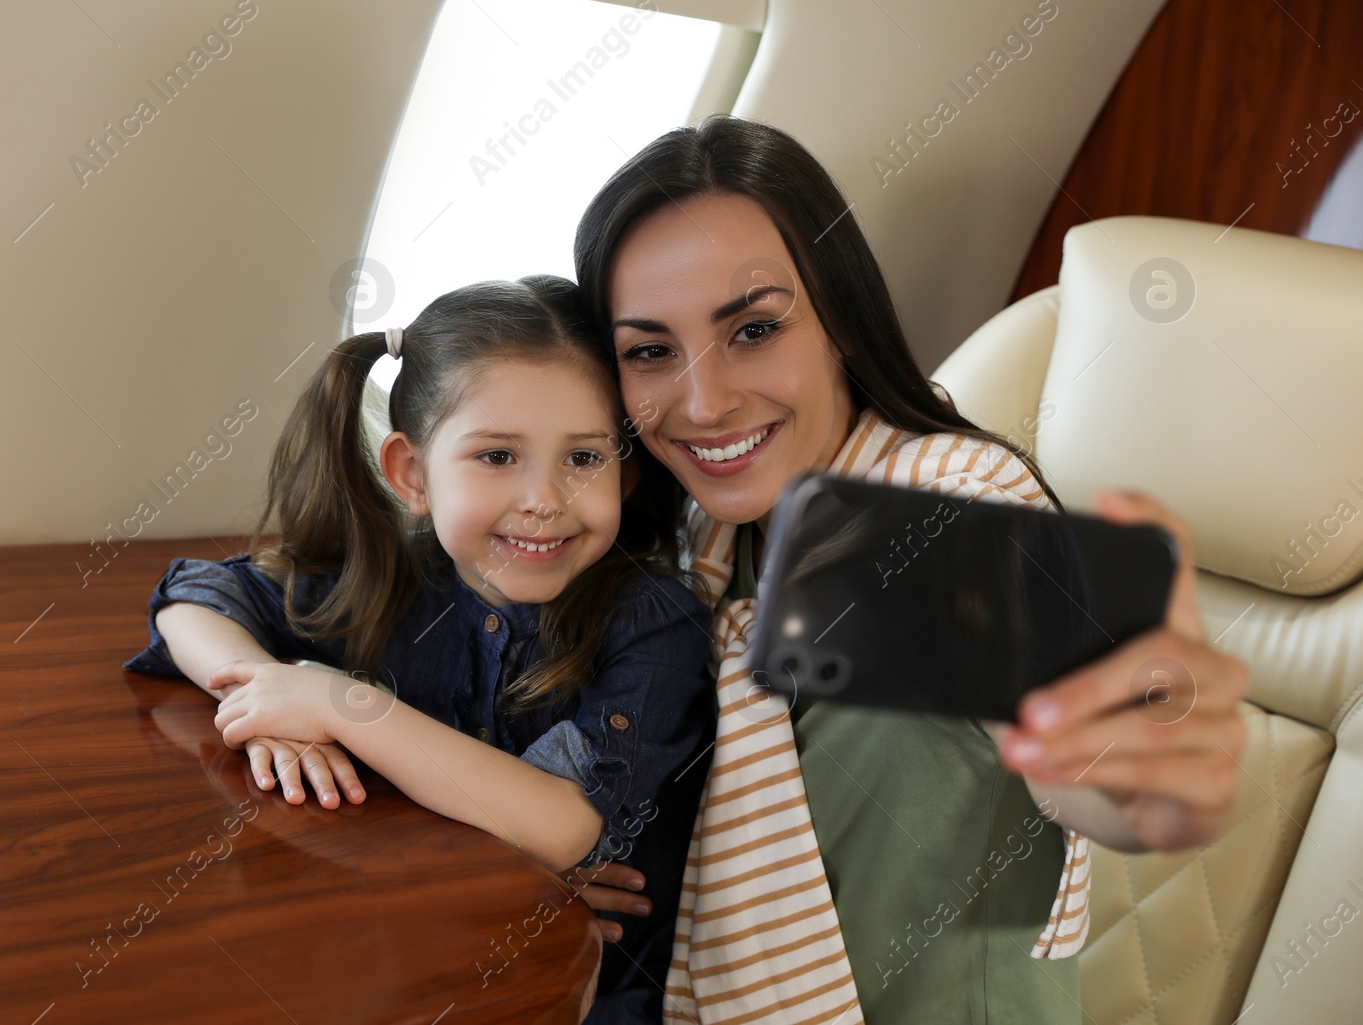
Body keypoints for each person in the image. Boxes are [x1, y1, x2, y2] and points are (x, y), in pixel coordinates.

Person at [565, 115, 1250, 1023]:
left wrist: (1142, 768)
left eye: (755, 329)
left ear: (841, 318)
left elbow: (1089, 754)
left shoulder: (949, 521)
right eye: (650, 351)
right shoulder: (711, 538)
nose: (703, 401)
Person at [124, 275, 717, 1023]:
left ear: (625, 472)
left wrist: (342, 705)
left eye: (584, 458)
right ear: (413, 474)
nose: (545, 498)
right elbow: (197, 596)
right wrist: (269, 694)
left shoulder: (655, 621)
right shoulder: (388, 578)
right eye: (498, 456)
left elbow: (564, 823)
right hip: (423, 947)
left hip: (589, 993)